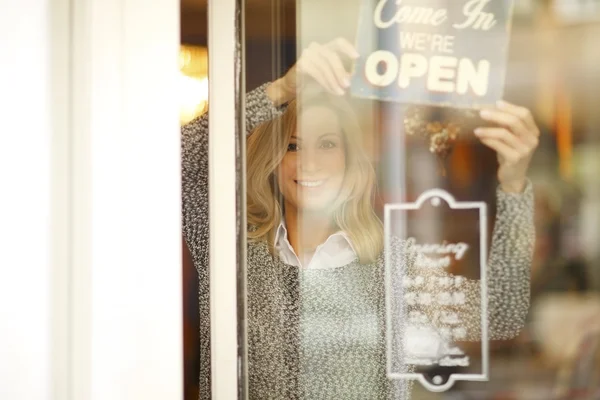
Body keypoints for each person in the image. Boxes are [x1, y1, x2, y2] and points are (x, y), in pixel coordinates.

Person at [182, 38, 538, 399]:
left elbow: (501, 313)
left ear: (351, 162)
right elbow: (173, 158)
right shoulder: (229, 252)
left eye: (328, 144)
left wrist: (513, 185)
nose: (309, 162)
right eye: (293, 145)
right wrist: (278, 91)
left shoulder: (394, 264)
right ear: (274, 160)